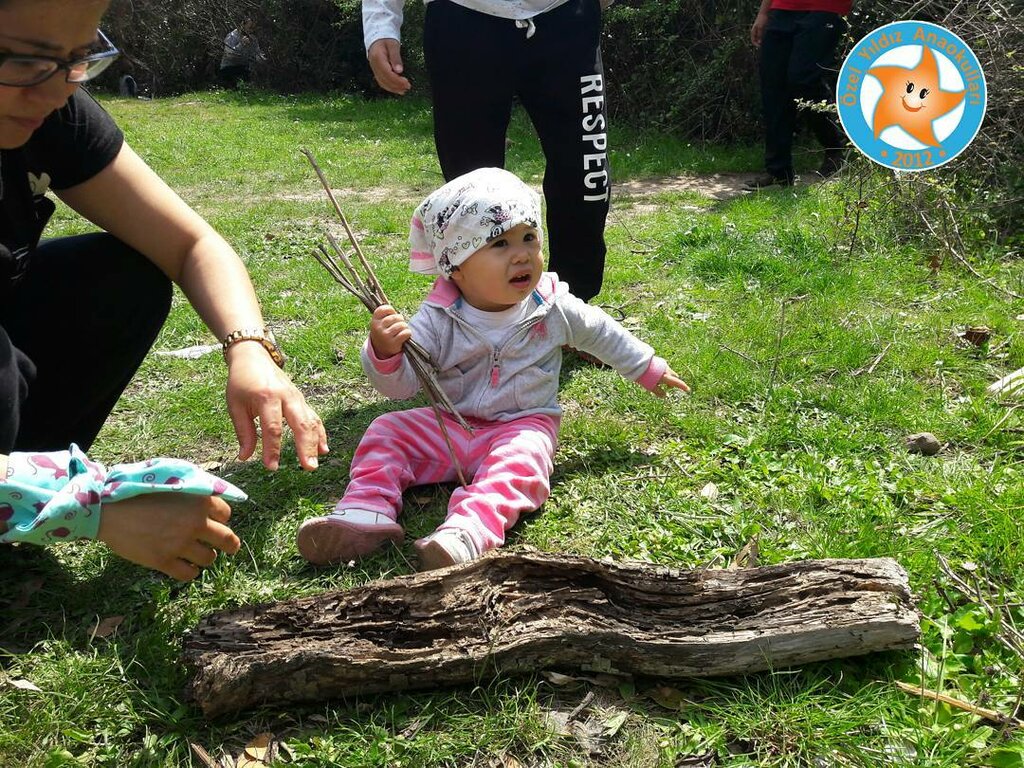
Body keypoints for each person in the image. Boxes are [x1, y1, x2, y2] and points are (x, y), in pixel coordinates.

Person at [0, 0, 329, 581]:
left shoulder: (53, 110)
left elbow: (190, 244)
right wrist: (90, 508)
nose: (56, 94)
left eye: (79, 60)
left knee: (119, 278)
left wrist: (250, 348)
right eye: (28, 62)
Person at [296, 168, 689, 571]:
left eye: (529, 238)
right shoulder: (437, 319)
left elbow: (602, 333)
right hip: (449, 424)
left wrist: (646, 367)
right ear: (456, 267)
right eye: (499, 243)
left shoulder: (551, 306)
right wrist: (384, 352)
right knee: (387, 430)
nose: (521, 254)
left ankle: (467, 531)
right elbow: (401, 387)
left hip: (522, 424)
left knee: (521, 464)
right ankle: (365, 511)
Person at [361, 0, 611, 302]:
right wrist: (380, 24)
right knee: (470, 195)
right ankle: (486, 316)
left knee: (587, 177)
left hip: (568, 16)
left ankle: (573, 309)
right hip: (463, 19)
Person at [747, 0, 850, 189]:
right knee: (773, 84)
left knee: (803, 80)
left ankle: (835, 149)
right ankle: (778, 171)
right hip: (781, 9)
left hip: (824, 9)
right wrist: (763, 13)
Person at [218, 17, 265, 89]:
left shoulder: (253, 39)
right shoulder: (232, 36)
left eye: (253, 28)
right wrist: (241, 44)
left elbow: (257, 53)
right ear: (242, 25)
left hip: (244, 67)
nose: (251, 30)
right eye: (249, 27)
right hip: (229, 67)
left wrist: (261, 58)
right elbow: (229, 55)